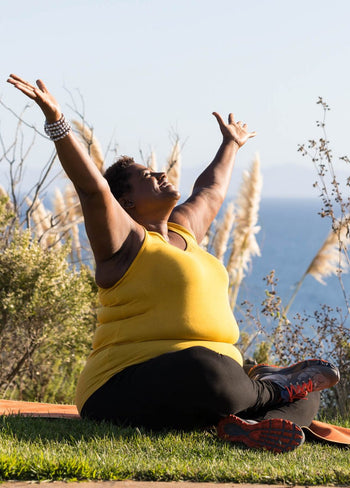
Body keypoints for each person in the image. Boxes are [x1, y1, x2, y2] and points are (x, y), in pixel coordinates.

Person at [7, 74, 340, 453]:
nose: (161, 174)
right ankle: (270, 388)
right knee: (207, 368)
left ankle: (246, 426)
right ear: (126, 203)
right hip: (124, 384)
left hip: (214, 379)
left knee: (308, 395)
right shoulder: (125, 243)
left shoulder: (185, 232)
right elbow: (92, 189)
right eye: (147, 177)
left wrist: (230, 144)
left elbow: (210, 191)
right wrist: (57, 121)